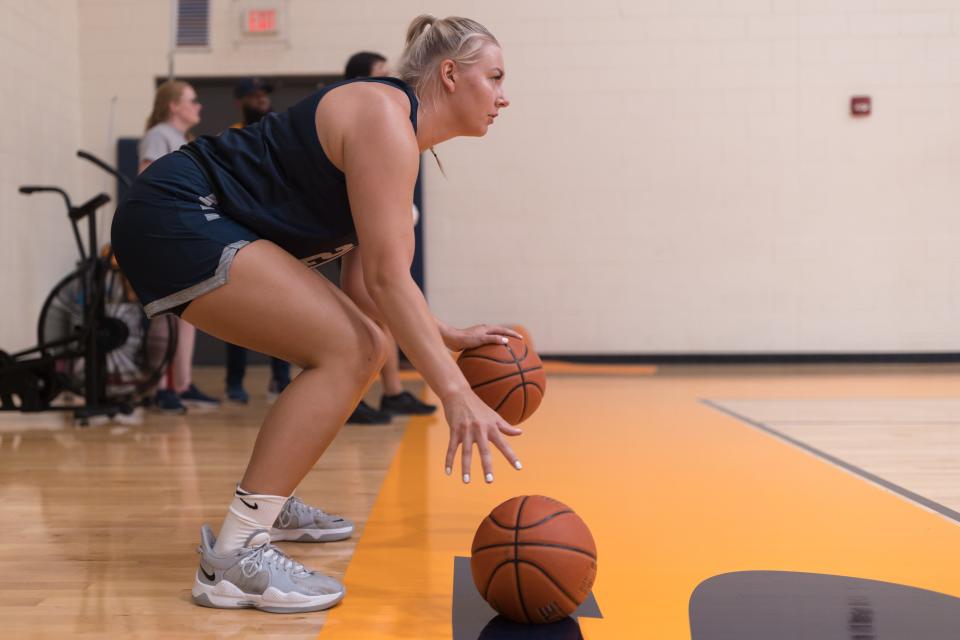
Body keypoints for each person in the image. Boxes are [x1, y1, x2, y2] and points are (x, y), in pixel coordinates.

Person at [112, 14, 519, 614]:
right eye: (496, 77)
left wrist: (445, 334)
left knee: (357, 342)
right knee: (352, 349)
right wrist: (454, 393)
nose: (504, 96)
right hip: (174, 212)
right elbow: (384, 279)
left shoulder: (398, 140)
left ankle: (270, 505)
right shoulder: (385, 117)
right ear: (451, 75)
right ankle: (234, 557)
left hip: (186, 219)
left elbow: (372, 284)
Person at [341, 51, 438, 424]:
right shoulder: (367, 120)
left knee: (387, 313)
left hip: (370, 235)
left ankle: (393, 392)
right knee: (370, 314)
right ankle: (352, 397)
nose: (391, 79)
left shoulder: (396, 124)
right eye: (381, 73)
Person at [138, 80, 220, 413]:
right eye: (192, 100)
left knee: (189, 314)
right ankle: (159, 388)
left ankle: (182, 384)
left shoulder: (183, 140)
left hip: (187, 231)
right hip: (164, 233)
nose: (198, 106)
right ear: (174, 105)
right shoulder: (159, 134)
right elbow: (148, 178)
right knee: (166, 313)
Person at [222, 77, 293, 404]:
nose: (262, 99)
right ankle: (234, 383)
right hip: (245, 230)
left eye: (264, 93)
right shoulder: (232, 138)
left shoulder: (279, 132)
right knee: (238, 313)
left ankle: (281, 379)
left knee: (283, 309)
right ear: (241, 101)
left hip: (279, 229)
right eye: (254, 95)